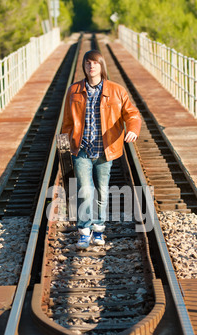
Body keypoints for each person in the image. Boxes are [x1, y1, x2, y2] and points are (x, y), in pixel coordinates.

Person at [62, 50, 142, 249]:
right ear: (84, 66)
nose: (91, 67)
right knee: (86, 191)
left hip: (106, 150)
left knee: (102, 192)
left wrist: (132, 130)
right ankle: (83, 232)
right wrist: (64, 146)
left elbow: (132, 114)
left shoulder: (116, 90)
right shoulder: (74, 91)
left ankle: (98, 230)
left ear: (101, 66)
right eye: (88, 63)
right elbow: (67, 122)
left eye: (95, 63)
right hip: (81, 149)